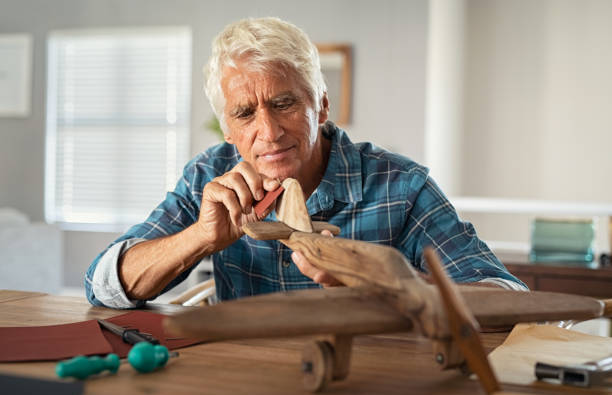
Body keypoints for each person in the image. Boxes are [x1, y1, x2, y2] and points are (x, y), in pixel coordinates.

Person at [85, 17, 526, 309]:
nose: (270, 132)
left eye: (284, 104)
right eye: (245, 114)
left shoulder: (400, 186)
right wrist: (200, 237)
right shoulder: (208, 176)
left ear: (322, 105)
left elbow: (509, 298)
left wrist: (387, 281)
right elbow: (101, 283)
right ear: (228, 129)